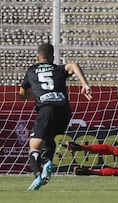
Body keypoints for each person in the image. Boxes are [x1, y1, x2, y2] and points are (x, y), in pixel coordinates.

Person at [19, 43, 93, 190]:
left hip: (46, 109)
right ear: (52, 58)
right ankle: (48, 162)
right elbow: (74, 65)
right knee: (49, 138)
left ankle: (37, 177)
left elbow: (22, 94)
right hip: (64, 110)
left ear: (37, 57)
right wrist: (85, 84)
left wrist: (36, 93)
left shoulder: (31, 70)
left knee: (34, 146)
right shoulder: (58, 69)